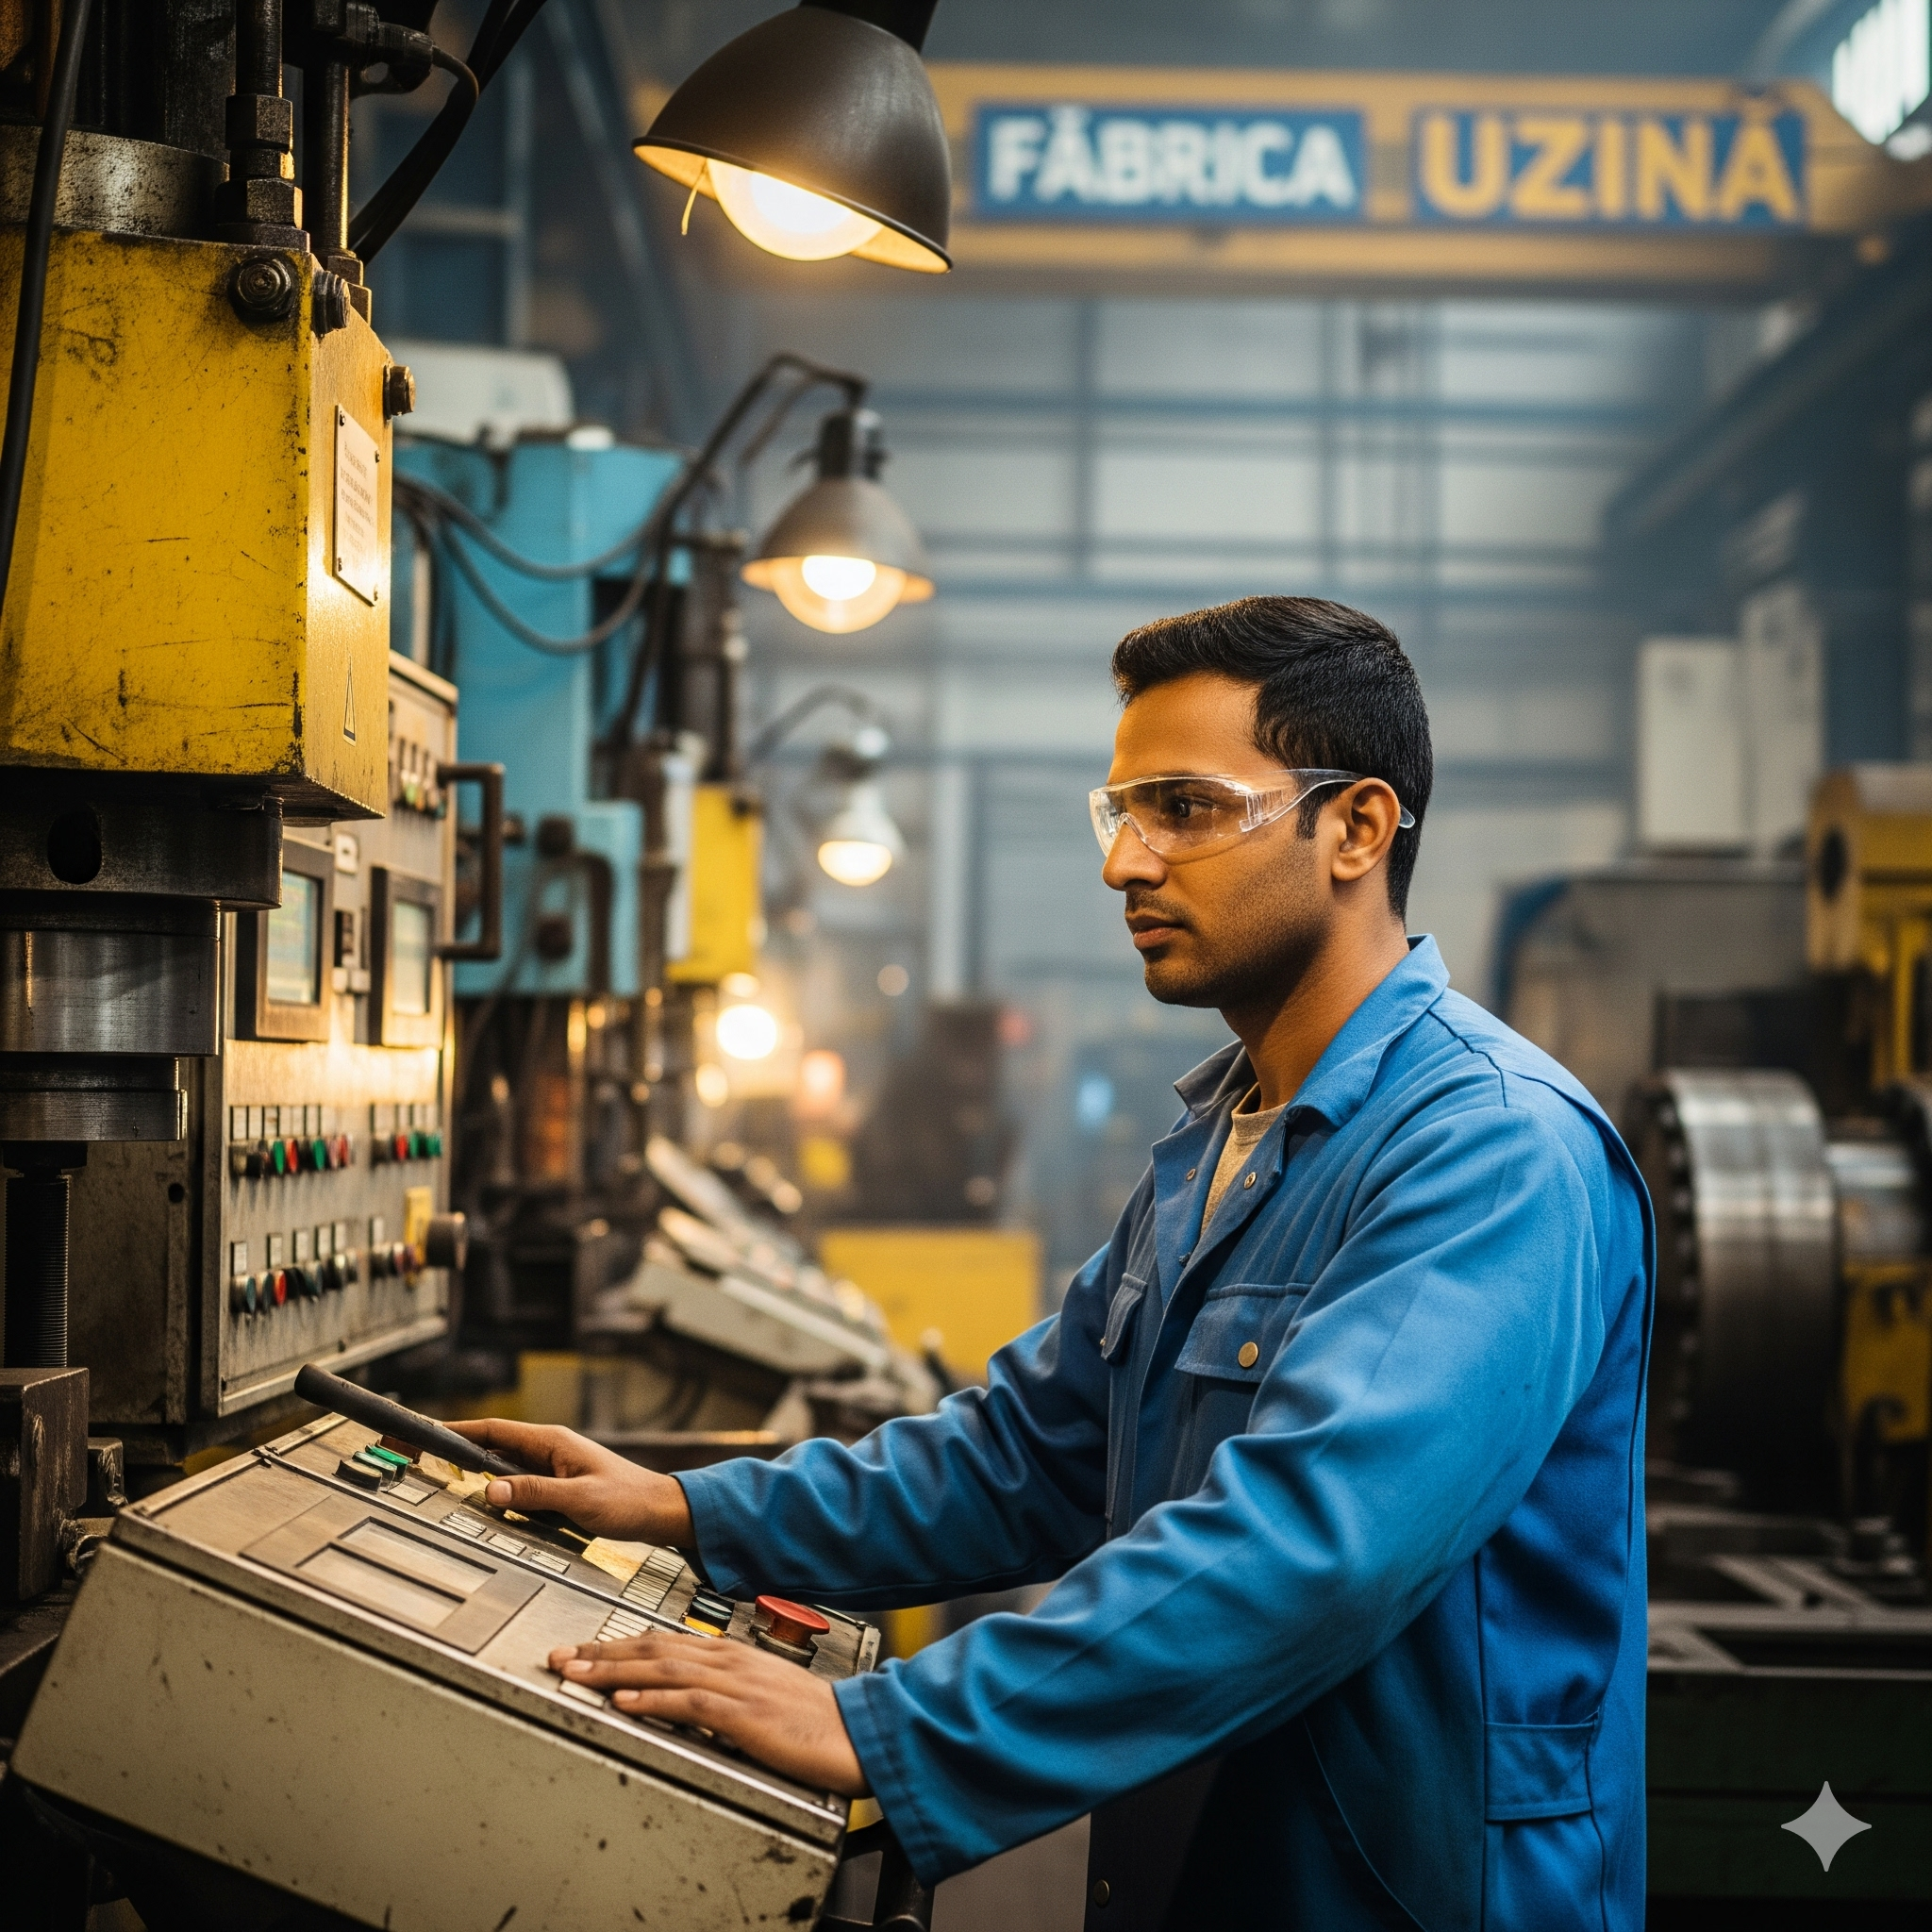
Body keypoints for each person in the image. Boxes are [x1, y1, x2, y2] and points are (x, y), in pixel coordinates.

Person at [454, 596, 1654, 1932]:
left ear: (1357, 829)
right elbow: (1024, 1453)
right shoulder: (1222, 1143)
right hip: (1208, 1866)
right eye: (1122, 810)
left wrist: (896, 1729)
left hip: (1405, 1890)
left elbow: (1316, 1548)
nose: (1125, 864)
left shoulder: (1491, 1151)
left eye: (1189, 809)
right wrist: (691, 1514)